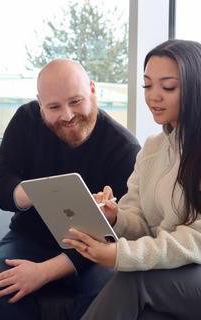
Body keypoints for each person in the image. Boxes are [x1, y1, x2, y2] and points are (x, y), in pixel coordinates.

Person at [0, 58, 141, 319]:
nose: (67, 115)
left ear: (92, 90)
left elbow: (114, 236)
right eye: (54, 107)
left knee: (111, 285)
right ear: (40, 103)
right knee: (1, 280)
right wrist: (36, 192)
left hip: (93, 251)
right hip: (29, 239)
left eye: (75, 101)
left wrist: (42, 272)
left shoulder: (124, 149)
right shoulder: (26, 120)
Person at [63, 39, 201, 320]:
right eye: (148, 85)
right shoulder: (152, 148)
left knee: (132, 280)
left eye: (168, 87)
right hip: (179, 271)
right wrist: (116, 218)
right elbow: (141, 220)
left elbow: (196, 239)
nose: (154, 96)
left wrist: (120, 255)